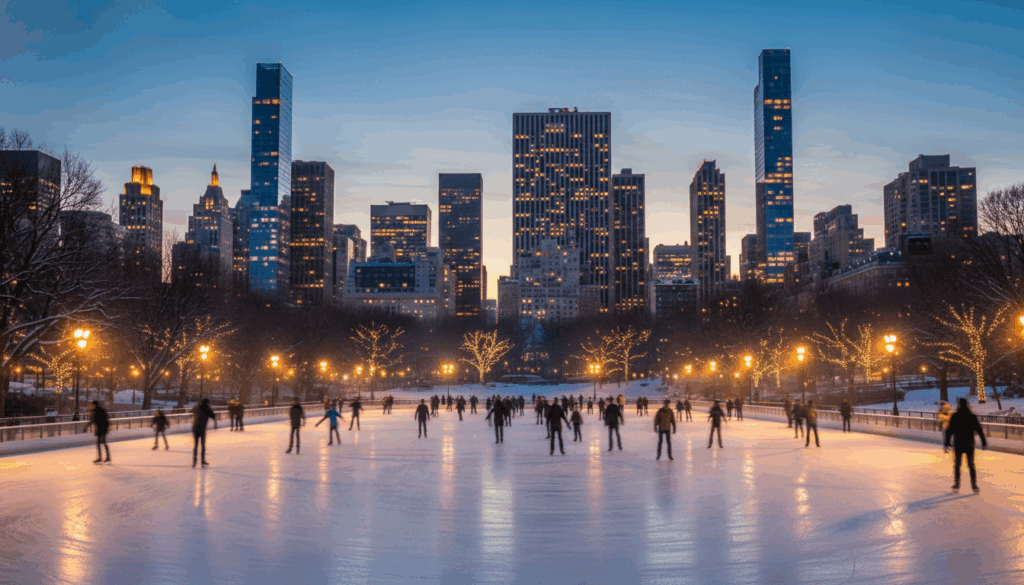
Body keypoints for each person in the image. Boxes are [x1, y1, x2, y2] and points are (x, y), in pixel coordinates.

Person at [944, 398, 987, 493]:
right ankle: (974, 485)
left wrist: (946, 443)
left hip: (958, 444)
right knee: (971, 465)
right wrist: (983, 441)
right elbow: (979, 430)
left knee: (957, 465)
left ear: (959, 405)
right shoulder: (972, 416)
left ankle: (957, 484)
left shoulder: (955, 416)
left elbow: (949, 430)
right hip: (969, 444)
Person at [191, 398, 217, 467]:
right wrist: (215, 424)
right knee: (202, 445)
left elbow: (192, 411)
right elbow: (213, 416)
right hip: (202, 429)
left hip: (195, 428)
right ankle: (202, 461)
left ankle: (194, 462)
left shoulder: (197, 406)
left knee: (196, 445)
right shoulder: (207, 408)